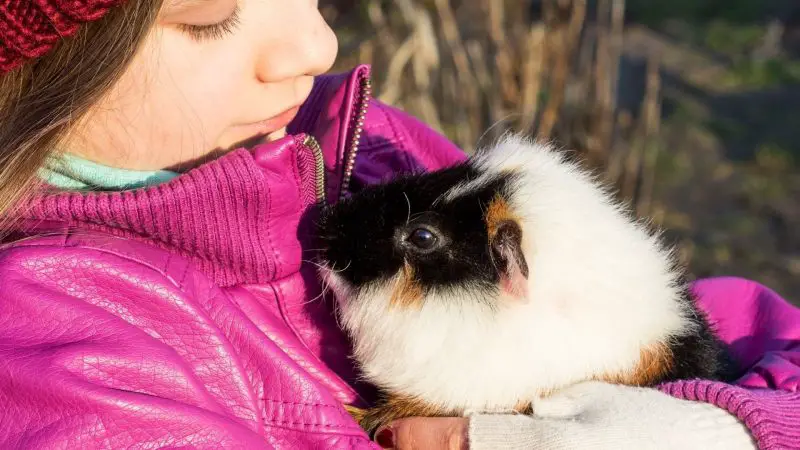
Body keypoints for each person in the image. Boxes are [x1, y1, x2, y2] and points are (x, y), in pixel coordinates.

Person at [0, 1, 797, 449]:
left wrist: (727, 428)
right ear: (41, 68)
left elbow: (762, 339)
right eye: (209, 16)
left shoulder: (365, 146)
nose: (316, 44)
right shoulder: (59, 346)